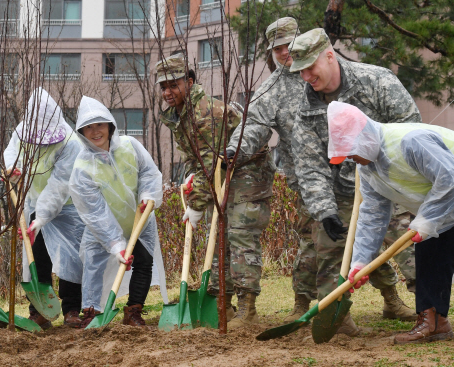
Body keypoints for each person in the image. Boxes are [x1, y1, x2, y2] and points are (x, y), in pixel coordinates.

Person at [288, 28, 419, 333]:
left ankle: (430, 312)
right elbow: (309, 166)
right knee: (330, 249)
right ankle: (339, 320)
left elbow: (410, 130)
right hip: (343, 191)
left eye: (310, 67)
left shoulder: (377, 81)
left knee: (412, 247)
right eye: (300, 71)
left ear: (330, 56)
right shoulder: (306, 109)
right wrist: (325, 211)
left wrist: (388, 170)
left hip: (391, 182)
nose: (306, 76)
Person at [158, 53, 275, 327]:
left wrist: (196, 205)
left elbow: (211, 164)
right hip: (224, 173)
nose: (167, 92)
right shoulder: (180, 114)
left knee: (240, 234)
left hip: (248, 171)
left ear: (188, 82)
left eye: (173, 85)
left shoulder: (205, 112)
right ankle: (223, 303)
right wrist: (190, 176)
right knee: (220, 235)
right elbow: (197, 157)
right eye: (163, 87)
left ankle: (248, 310)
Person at [327, 101, 454, 344]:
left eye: (352, 150)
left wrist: (426, 219)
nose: (350, 157)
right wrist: (361, 261)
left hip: (449, 193)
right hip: (446, 209)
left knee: (429, 241)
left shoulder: (410, 142)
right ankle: (434, 322)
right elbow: (373, 213)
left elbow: (449, 177)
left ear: (366, 138)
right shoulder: (368, 168)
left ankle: (434, 321)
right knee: (429, 252)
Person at [226, 17, 320, 324]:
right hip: (306, 177)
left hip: (346, 168)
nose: (284, 52)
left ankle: (391, 296)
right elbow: (254, 126)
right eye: (277, 48)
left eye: (288, 44)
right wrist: (234, 150)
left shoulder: (322, 71)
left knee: (366, 231)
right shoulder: (272, 89)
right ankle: (302, 302)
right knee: (310, 237)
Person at [69, 95, 168, 328]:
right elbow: (95, 213)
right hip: (102, 224)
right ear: (81, 132)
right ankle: (91, 312)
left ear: (110, 125)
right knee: (93, 263)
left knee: (144, 261)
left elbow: (148, 173)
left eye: (100, 125)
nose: (96, 132)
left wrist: (147, 196)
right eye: (89, 127)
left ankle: (134, 310)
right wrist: (116, 245)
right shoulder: (82, 168)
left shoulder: (130, 146)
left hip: (138, 216)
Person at [3, 89, 85, 329]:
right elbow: (11, 152)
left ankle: (71, 308)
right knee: (37, 256)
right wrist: (12, 169)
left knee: (72, 256)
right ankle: (38, 311)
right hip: (33, 200)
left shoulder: (70, 143)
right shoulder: (21, 131)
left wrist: (39, 220)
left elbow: (59, 187)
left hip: (68, 205)